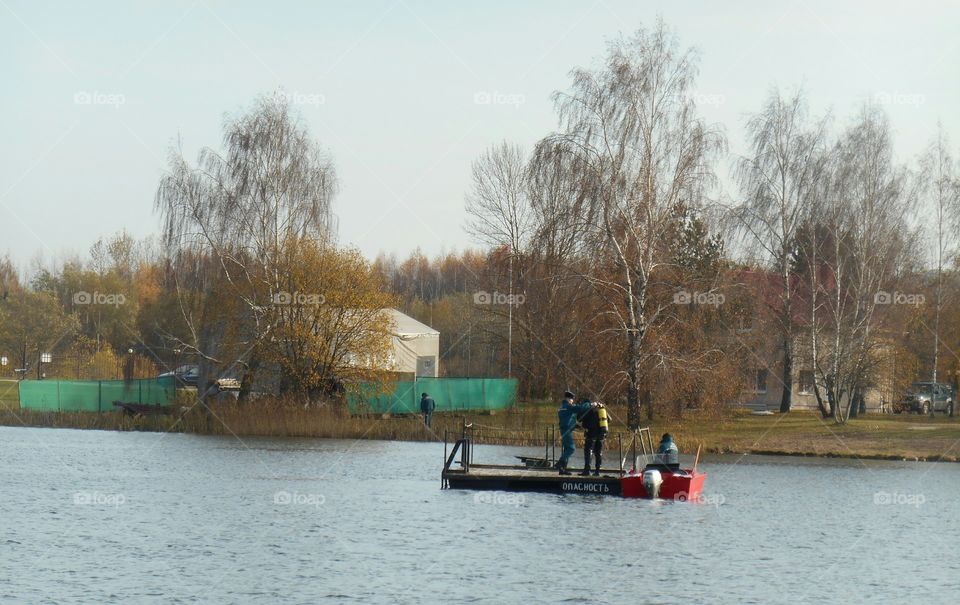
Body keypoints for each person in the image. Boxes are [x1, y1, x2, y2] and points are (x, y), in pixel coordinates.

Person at [556, 391, 595, 475]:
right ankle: (560, 463)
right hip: (566, 430)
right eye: (572, 399)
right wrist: (590, 404)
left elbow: (566, 419)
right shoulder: (568, 406)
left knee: (566, 449)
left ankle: (562, 470)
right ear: (568, 399)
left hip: (564, 429)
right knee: (571, 448)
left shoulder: (562, 407)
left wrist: (576, 426)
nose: (572, 401)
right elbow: (580, 408)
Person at [578, 400, 609, 476]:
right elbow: (609, 420)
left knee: (588, 451)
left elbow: (579, 419)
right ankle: (597, 471)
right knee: (598, 453)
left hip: (591, 434)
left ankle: (587, 470)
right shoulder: (602, 411)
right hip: (601, 435)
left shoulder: (589, 411)